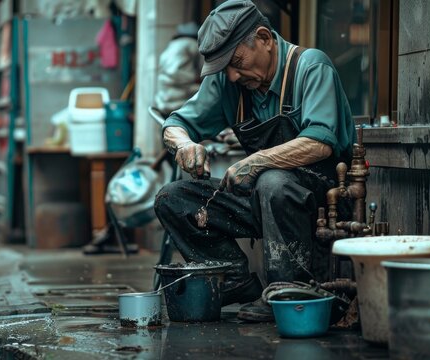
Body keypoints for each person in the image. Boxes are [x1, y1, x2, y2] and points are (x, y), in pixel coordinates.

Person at [153, 0, 356, 322]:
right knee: (172, 198)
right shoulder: (228, 81)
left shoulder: (311, 67)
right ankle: (235, 280)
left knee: (272, 181)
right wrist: (185, 145)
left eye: (236, 61)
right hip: (263, 196)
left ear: (264, 38)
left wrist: (257, 162)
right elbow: (175, 122)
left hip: (321, 196)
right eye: (225, 68)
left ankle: (289, 288)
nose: (232, 75)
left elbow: (320, 143)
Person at [153, 21, 202, 117]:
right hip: (180, 99)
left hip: (162, 98)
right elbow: (203, 69)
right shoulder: (193, 44)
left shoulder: (172, 45)